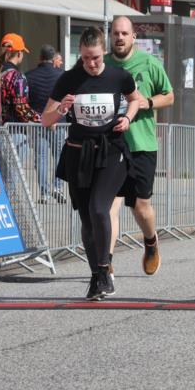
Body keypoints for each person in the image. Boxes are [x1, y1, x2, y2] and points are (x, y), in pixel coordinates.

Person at [41, 27, 144, 300]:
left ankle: (103, 269)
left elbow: (136, 99)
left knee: (100, 208)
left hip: (111, 152)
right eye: (86, 58)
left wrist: (128, 118)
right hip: (79, 154)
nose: (91, 63)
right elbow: (45, 120)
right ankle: (98, 276)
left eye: (96, 57)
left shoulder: (118, 76)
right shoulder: (69, 79)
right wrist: (62, 108)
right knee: (86, 219)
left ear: (103, 52)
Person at [106, 16, 175, 277]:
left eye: (124, 33)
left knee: (140, 207)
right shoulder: (103, 64)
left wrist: (147, 102)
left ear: (133, 36)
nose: (120, 38)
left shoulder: (149, 63)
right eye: (115, 33)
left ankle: (151, 242)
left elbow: (169, 96)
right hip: (111, 146)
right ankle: (106, 263)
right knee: (109, 205)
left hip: (141, 145)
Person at [26, 44, 66, 203]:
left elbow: (26, 101)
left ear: (40, 58)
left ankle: (44, 193)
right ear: (53, 58)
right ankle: (58, 187)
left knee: (41, 157)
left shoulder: (29, 76)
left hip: (38, 122)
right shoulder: (62, 75)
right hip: (58, 122)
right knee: (59, 156)